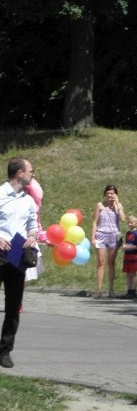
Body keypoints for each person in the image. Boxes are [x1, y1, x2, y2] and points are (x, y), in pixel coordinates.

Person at [0, 157, 39, 368]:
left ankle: (5, 350)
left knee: (13, 306)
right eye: (31, 171)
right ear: (20, 173)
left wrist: (32, 235)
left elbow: (33, 225)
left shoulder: (28, 200)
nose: (33, 174)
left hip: (17, 256)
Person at [91, 184, 126, 298]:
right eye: (108, 193)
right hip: (101, 234)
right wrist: (93, 237)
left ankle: (111, 290)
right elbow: (95, 222)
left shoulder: (118, 205)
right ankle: (99, 290)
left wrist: (117, 204)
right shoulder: (100, 205)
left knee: (111, 263)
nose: (110, 195)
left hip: (113, 235)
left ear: (115, 194)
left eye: (112, 193)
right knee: (101, 262)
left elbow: (123, 219)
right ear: (105, 195)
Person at [22, 176, 46, 311]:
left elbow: (36, 222)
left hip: (29, 238)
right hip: (13, 238)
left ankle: (17, 299)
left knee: (27, 273)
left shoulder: (32, 202)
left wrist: (42, 236)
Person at [121, 215, 137, 299]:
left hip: (133, 256)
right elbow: (126, 243)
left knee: (133, 274)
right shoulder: (128, 233)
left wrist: (128, 247)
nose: (129, 224)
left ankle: (133, 291)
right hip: (127, 256)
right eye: (129, 222)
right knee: (128, 274)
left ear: (136, 224)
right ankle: (128, 291)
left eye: (131, 222)